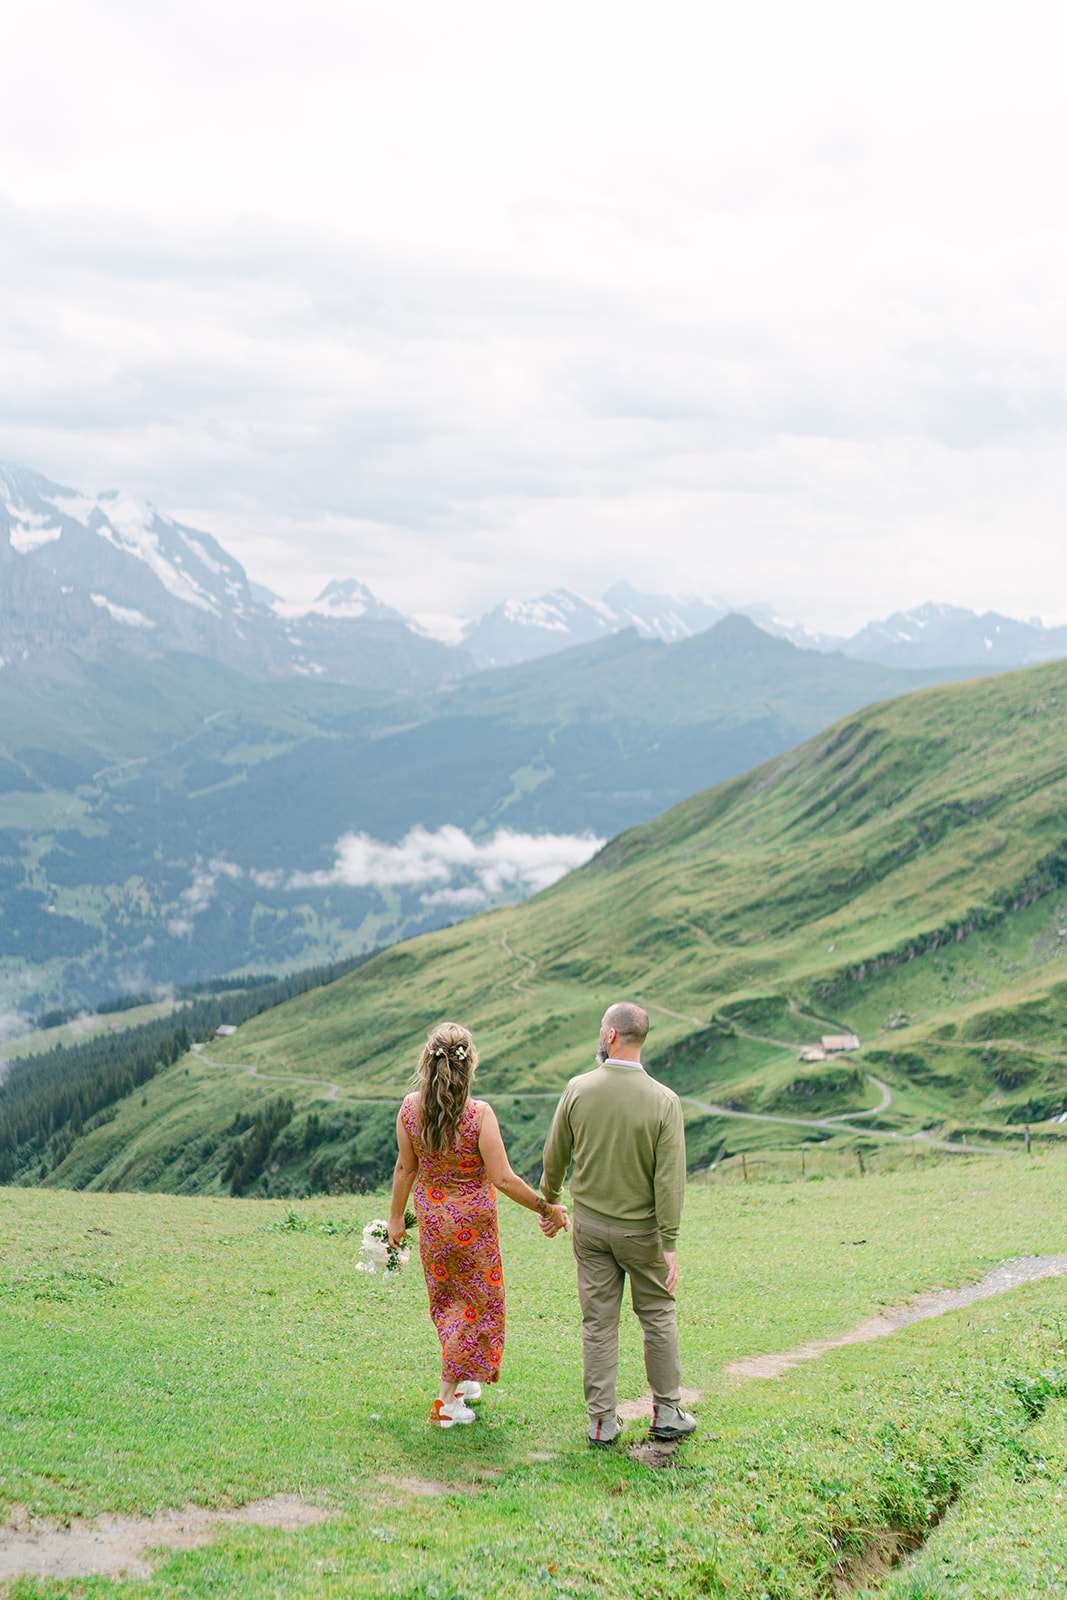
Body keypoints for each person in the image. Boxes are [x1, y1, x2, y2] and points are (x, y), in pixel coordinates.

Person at [388, 1020, 568, 1429]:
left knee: (448, 1302)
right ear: (468, 1066)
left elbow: (405, 1167)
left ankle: (465, 1381)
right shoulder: (479, 1115)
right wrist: (547, 1208)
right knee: (478, 1306)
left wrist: (396, 1217)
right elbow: (503, 1178)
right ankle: (445, 1400)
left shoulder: (408, 1110)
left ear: (427, 1062)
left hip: (434, 1224)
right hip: (474, 1229)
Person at [539, 1001, 697, 1447]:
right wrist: (670, 1241)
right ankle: (667, 1412)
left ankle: (601, 1422)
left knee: (598, 1324)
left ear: (611, 1036)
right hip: (644, 1233)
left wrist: (549, 1203)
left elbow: (556, 1156)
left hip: (590, 1229)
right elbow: (669, 1181)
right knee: (658, 1314)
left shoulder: (578, 1089)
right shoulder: (665, 1101)